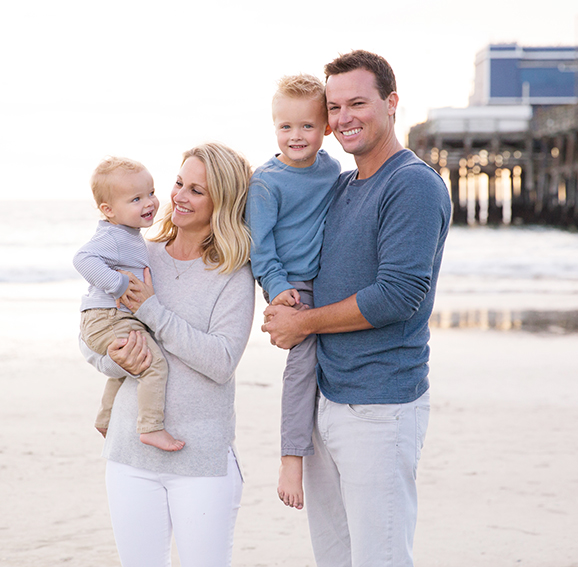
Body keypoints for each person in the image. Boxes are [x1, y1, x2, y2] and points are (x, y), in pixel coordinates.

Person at [261, 51, 452, 567]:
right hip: (328, 399)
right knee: (335, 558)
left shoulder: (410, 183)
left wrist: (302, 322)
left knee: (381, 558)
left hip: (380, 406)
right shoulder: (343, 185)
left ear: (391, 104)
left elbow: (398, 294)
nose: (345, 117)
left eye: (358, 103)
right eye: (335, 106)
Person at [80, 143, 255, 567]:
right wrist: (115, 358)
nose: (178, 196)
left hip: (201, 460)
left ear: (222, 203)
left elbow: (221, 361)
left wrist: (151, 310)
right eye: (179, 183)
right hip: (129, 455)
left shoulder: (233, 273)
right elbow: (92, 337)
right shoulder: (137, 253)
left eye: (197, 190)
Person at [246, 74, 341, 510]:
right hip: (293, 284)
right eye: (285, 127)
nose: (296, 136)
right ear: (274, 127)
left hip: (331, 276)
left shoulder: (331, 169)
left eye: (306, 126)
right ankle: (290, 458)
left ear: (325, 127)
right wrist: (280, 290)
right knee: (302, 366)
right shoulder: (266, 183)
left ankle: (328, 427)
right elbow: (260, 249)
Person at [73, 156, 184, 452]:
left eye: (150, 193)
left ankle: (106, 418)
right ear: (108, 210)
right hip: (108, 317)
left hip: (112, 316)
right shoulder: (114, 236)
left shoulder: (128, 235)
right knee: (153, 364)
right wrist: (119, 284)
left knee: (130, 362)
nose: (148, 203)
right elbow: (82, 259)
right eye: (135, 199)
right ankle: (151, 427)